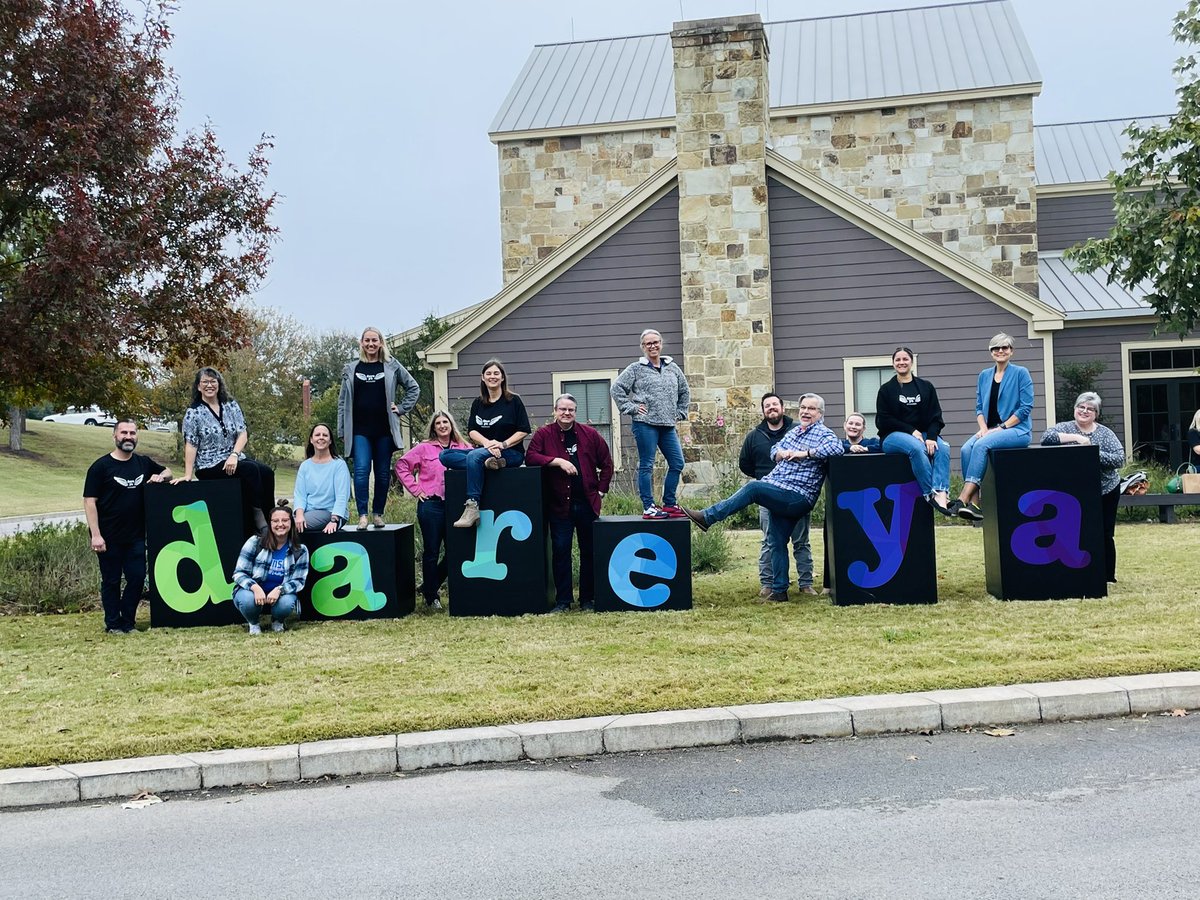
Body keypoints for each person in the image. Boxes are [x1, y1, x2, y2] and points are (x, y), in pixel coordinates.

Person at [684, 394, 843, 603]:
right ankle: (779, 591)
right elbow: (774, 449)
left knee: (754, 488)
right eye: (803, 407)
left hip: (798, 496)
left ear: (820, 413)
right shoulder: (795, 431)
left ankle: (708, 517)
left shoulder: (824, 434)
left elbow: (837, 448)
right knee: (776, 541)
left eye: (811, 409)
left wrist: (805, 453)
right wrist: (780, 453)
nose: (805, 412)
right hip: (779, 489)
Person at [526, 394, 614, 612]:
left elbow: (607, 464)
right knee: (561, 552)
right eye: (563, 409)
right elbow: (531, 457)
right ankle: (563, 601)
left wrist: (601, 491)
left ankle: (587, 599)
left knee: (589, 553)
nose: (566, 413)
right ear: (555, 411)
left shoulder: (590, 435)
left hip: (587, 504)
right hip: (559, 505)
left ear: (576, 412)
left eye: (571, 410)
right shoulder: (544, 434)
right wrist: (556, 461)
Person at [83, 419, 173, 634]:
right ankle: (113, 624)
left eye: (132, 433)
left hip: (136, 536)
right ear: (114, 436)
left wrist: (160, 476)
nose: (128, 437)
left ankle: (128, 622)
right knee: (111, 581)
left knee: (137, 578)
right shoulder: (101, 467)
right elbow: (89, 501)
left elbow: (168, 471)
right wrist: (96, 535)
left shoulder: (143, 463)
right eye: (124, 433)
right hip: (108, 536)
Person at [176, 367, 275, 537]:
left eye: (213, 381)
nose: (209, 385)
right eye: (205, 382)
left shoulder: (230, 405)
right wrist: (187, 474)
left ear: (219, 384)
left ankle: (272, 518)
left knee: (266, 472)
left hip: (233, 458)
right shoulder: (193, 413)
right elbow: (191, 444)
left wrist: (234, 455)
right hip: (209, 464)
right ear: (198, 386)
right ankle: (258, 519)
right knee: (250, 470)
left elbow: (242, 433)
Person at [337, 326, 420, 530]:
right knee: (361, 470)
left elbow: (413, 387)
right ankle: (363, 516)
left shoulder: (391, 365)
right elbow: (342, 402)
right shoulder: (351, 368)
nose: (371, 344)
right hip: (359, 431)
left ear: (381, 343)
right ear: (361, 343)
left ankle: (378, 514)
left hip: (384, 430)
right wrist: (341, 430)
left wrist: (401, 408)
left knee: (383, 473)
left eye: (374, 340)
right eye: (367, 340)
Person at [1041, 392, 1126, 583]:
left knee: (1104, 532)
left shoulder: (1105, 433)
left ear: (1096, 414)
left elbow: (1119, 459)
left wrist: (1091, 452)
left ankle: (1108, 576)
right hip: (1074, 491)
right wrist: (1077, 439)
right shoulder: (1064, 428)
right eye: (1081, 407)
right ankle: (1078, 572)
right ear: (1075, 409)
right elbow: (1046, 438)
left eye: (1090, 409)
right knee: (1074, 531)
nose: (1085, 411)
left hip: (1105, 489)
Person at [738, 393, 816, 598]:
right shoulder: (754, 436)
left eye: (775, 404)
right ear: (763, 410)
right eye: (767, 406)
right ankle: (768, 584)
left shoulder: (798, 431)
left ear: (782, 408)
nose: (771, 408)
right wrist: (762, 477)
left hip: (795, 493)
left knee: (801, 541)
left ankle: (806, 583)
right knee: (769, 541)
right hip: (767, 495)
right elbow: (744, 464)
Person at [951, 333, 1035, 522]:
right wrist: (983, 428)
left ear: (1011, 351)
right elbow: (979, 407)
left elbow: (1025, 408)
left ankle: (962, 499)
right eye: (996, 348)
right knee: (966, 449)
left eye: (1005, 347)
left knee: (981, 445)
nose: (1000, 351)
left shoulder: (1021, 373)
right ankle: (975, 505)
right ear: (991, 352)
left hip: (1017, 430)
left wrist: (1002, 427)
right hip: (989, 430)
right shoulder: (984, 375)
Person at [442, 359, 531, 528]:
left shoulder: (514, 401)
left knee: (474, 456)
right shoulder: (478, 403)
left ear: (502, 377)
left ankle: (472, 506)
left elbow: (524, 430)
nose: (492, 376)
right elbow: (472, 431)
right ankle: (488, 464)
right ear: (483, 377)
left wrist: (502, 445)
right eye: (488, 373)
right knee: (445, 455)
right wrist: (488, 444)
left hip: (511, 453)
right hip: (486, 452)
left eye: (496, 373)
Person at [395, 410, 471, 609]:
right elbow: (402, 465)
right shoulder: (424, 448)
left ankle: (430, 584)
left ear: (451, 425)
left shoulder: (464, 447)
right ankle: (432, 597)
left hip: (456, 505)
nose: (442, 426)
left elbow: (477, 463)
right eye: (438, 423)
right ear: (434, 427)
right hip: (431, 505)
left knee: (455, 550)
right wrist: (415, 489)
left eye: (446, 422)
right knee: (432, 551)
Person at [611, 328, 690, 520]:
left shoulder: (672, 367)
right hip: (645, 424)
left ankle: (669, 504)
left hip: (667, 425)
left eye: (656, 342)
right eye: (648, 343)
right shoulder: (635, 369)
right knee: (647, 464)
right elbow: (616, 388)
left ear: (661, 344)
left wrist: (681, 411)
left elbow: (684, 390)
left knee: (677, 463)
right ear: (643, 347)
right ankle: (648, 507)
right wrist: (631, 407)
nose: (653, 346)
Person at [876, 347, 953, 515]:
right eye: (898, 360)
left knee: (943, 447)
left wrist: (932, 437)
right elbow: (884, 420)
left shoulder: (926, 387)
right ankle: (929, 493)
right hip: (892, 436)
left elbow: (936, 417)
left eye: (905, 359)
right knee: (917, 448)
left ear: (911, 362)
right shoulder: (886, 390)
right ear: (893, 363)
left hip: (923, 434)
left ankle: (941, 494)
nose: (901, 362)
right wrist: (911, 431)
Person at [231, 500, 310, 635]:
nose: (280, 524)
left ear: (291, 523)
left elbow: (299, 581)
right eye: (275, 521)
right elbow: (239, 573)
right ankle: (253, 623)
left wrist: (280, 589)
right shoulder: (255, 542)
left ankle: (278, 621)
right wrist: (255, 587)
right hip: (253, 592)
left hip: (279, 595)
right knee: (247, 600)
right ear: (270, 523)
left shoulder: (300, 550)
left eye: (285, 520)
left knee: (286, 603)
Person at [293, 423, 352, 533]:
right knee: (281, 522)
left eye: (325, 435)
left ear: (330, 441)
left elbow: (342, 495)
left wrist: (334, 520)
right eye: (317, 435)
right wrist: (299, 516)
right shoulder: (305, 466)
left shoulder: (339, 465)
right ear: (311, 440)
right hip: (308, 512)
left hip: (331, 513)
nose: (321, 437)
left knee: (289, 526)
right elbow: (300, 495)